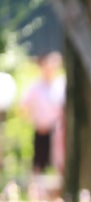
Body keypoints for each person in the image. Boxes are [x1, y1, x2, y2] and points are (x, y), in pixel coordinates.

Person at [20, 50, 65, 181]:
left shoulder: (60, 84)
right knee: (39, 162)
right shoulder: (35, 86)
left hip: (57, 131)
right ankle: (36, 188)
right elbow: (23, 105)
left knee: (58, 162)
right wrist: (32, 119)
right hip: (41, 129)